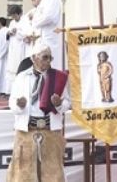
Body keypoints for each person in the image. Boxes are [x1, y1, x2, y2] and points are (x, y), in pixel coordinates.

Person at [7, 42, 69, 182]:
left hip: (50, 130)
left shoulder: (57, 77)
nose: (48, 62)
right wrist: (19, 105)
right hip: (26, 131)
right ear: (34, 58)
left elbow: (67, 103)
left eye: (50, 58)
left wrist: (59, 104)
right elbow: (12, 102)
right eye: (44, 57)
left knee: (52, 173)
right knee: (23, 172)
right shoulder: (21, 77)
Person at [30, 0, 63, 70]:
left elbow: (49, 17)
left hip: (50, 38)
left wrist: (35, 21)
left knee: (50, 64)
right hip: (44, 37)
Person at [4, 5, 27, 94]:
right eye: (12, 16)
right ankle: (10, 90)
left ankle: (19, 90)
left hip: (20, 47)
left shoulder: (24, 22)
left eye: (14, 15)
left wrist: (17, 31)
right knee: (10, 68)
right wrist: (10, 32)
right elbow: (8, 32)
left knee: (18, 67)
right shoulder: (12, 22)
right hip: (12, 47)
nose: (13, 17)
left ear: (19, 14)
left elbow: (25, 34)